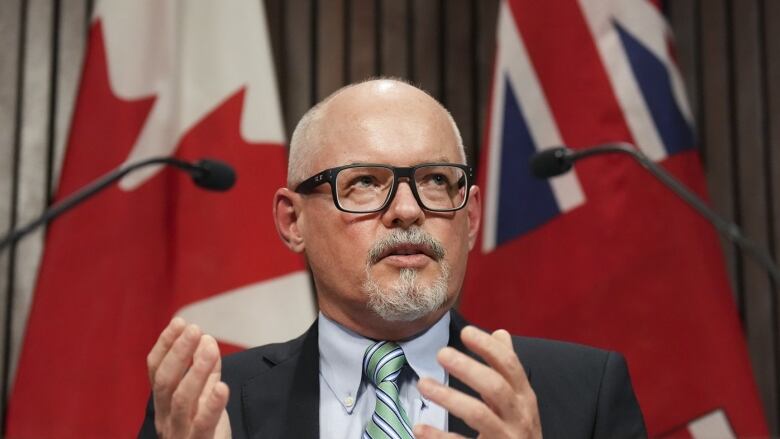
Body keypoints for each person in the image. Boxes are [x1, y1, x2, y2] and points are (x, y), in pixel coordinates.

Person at [139, 79, 646, 438]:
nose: (407, 211)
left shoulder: (584, 396)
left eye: (435, 181)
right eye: (363, 182)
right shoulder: (208, 405)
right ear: (292, 221)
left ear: (469, 220)